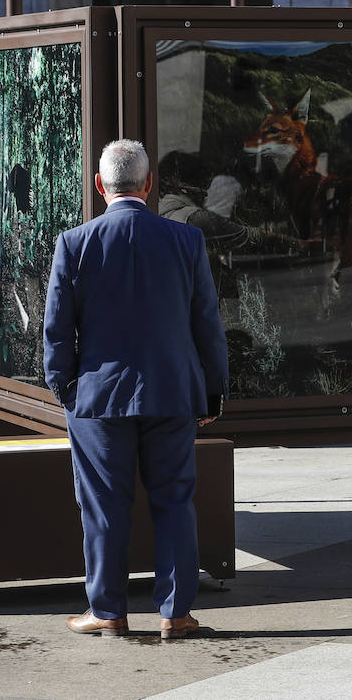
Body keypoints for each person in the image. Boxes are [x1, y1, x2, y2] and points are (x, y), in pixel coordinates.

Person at [43, 139, 229, 640]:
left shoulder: (74, 243)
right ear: (149, 185)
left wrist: (65, 389)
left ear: (100, 186)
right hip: (172, 392)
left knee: (103, 504)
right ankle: (175, 613)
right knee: (174, 502)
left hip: (98, 398)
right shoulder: (186, 240)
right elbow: (206, 324)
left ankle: (107, 610)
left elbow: (57, 331)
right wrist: (212, 392)